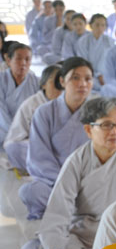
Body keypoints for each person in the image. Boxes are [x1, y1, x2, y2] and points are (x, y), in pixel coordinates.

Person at [19, 97, 116, 249]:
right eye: (106, 125)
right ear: (88, 130)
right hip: (84, 236)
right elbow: (59, 207)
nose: (115, 132)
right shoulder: (76, 161)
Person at [19, 57, 94, 220]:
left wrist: (83, 184)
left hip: (87, 182)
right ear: (62, 81)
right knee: (30, 192)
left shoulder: (98, 113)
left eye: (88, 79)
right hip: (53, 182)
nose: (82, 84)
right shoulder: (44, 113)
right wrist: (66, 183)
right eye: (75, 78)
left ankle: (69, 209)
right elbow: (39, 157)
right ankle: (77, 210)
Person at [4, 65, 61, 171]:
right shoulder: (31, 104)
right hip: (37, 148)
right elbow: (16, 137)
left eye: (62, 82)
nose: (59, 86)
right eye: (55, 81)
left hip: (62, 150)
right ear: (44, 84)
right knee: (13, 148)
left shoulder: (70, 104)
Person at [0, 43, 40, 146]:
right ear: (8, 60)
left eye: (27, 59)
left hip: (27, 130)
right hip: (3, 128)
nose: (23, 63)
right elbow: (1, 112)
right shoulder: (1, 80)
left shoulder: (36, 82)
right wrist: (15, 133)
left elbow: (40, 110)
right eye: (18, 59)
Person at [76, 14, 113, 92]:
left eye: (103, 25)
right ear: (91, 25)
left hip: (106, 75)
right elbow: (83, 62)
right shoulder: (83, 41)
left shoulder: (110, 41)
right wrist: (98, 75)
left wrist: (104, 75)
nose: (100, 28)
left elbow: (112, 62)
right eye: (97, 25)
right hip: (89, 73)